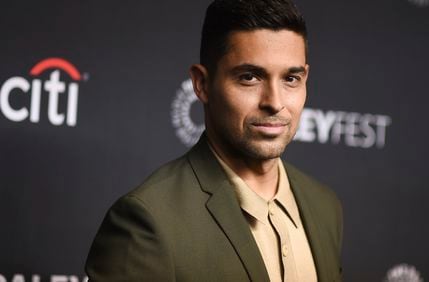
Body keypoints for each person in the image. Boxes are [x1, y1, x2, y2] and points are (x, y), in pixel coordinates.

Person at [85, 0, 343, 281]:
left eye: (291, 79)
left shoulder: (325, 206)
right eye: (249, 77)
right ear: (202, 84)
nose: (275, 102)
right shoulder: (148, 222)